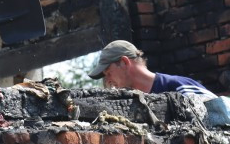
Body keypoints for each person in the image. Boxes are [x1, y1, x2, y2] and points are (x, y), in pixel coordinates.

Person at [88, 40, 217, 100]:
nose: (108, 81)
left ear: (124, 62)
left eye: (109, 73)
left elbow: (227, 120)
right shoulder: (129, 104)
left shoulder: (179, 87)